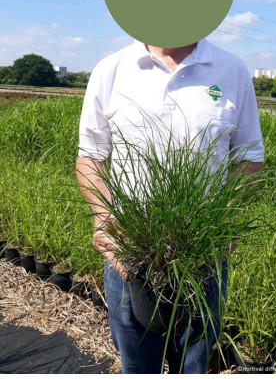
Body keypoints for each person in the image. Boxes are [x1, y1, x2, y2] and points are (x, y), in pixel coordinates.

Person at [75, 38, 264, 374]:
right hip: (128, 247)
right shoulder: (112, 69)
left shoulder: (231, 70)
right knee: (135, 359)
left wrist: (224, 219)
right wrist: (103, 217)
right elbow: (91, 155)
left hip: (204, 251)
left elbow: (249, 159)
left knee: (194, 357)